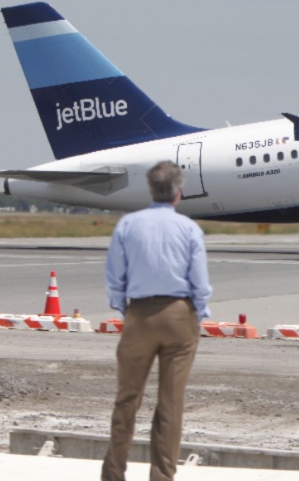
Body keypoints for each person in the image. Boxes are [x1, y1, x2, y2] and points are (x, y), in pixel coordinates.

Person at [102, 161, 213, 481]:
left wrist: (127, 312)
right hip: (179, 315)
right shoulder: (189, 228)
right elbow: (200, 283)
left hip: (139, 313)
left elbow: (114, 279)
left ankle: (113, 473)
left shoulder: (128, 224)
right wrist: (198, 313)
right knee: (170, 403)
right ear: (178, 193)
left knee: (127, 399)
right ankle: (162, 476)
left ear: (150, 189)